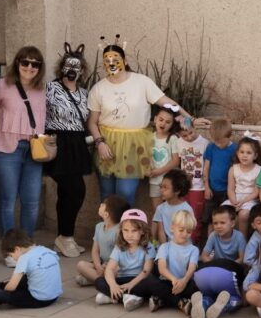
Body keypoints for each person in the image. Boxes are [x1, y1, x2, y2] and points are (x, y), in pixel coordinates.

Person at [88, 41, 208, 206]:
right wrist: (100, 143)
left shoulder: (141, 82)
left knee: (126, 192)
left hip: (133, 144)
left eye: (115, 59)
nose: (111, 64)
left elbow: (168, 103)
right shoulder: (98, 88)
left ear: (125, 60)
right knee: (106, 192)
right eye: (107, 61)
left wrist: (191, 119)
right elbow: (92, 122)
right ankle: (106, 223)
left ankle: (127, 223)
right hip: (107, 144)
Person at [0, 46, 47, 259]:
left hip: (34, 150)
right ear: (17, 63)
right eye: (25, 62)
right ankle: (10, 251)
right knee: (7, 200)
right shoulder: (1, 85)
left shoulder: (42, 89)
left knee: (32, 201)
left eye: (35, 63)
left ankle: (26, 247)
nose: (29, 67)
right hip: (7, 149)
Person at [44, 43, 93, 258]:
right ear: (61, 67)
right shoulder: (50, 89)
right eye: (68, 65)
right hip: (58, 142)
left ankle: (64, 238)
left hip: (77, 144)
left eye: (77, 66)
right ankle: (65, 236)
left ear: (82, 70)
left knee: (66, 192)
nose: (72, 70)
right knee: (75, 190)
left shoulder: (84, 93)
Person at [94, 209, 156, 310]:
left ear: (142, 231)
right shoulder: (119, 247)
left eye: (134, 231)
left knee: (151, 282)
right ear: (121, 230)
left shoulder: (148, 247)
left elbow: (146, 271)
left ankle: (113, 297)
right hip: (122, 279)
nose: (129, 235)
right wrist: (113, 285)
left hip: (138, 280)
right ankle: (128, 297)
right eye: (125, 230)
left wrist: (131, 284)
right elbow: (109, 269)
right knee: (99, 281)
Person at [141, 210, 200, 312]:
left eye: (189, 232)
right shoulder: (164, 247)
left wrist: (184, 281)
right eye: (181, 230)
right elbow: (162, 268)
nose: (185, 234)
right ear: (172, 227)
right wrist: (174, 280)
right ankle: (180, 302)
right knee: (150, 280)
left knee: (197, 284)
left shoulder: (194, 249)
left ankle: (162, 300)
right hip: (167, 282)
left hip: (185, 282)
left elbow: (192, 268)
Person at [75, 195, 130, 287]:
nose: (100, 204)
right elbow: (95, 251)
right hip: (102, 264)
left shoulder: (119, 231)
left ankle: (99, 281)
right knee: (81, 265)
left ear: (106, 214)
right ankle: (102, 280)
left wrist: (109, 267)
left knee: (116, 271)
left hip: (116, 266)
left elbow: (122, 256)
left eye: (103, 205)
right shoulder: (99, 226)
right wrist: (98, 266)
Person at [176, 122, 210, 245]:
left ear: (195, 127)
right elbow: (179, 162)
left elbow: (207, 166)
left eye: (191, 133)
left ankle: (194, 244)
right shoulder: (179, 142)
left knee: (195, 217)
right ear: (178, 134)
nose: (189, 137)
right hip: (184, 187)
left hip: (198, 187)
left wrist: (207, 186)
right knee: (182, 217)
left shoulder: (205, 143)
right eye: (184, 135)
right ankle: (181, 243)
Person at [224, 134, 261, 233]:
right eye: (242, 152)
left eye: (249, 153)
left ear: (255, 155)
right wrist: (234, 202)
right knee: (223, 212)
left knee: (243, 215)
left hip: (250, 199)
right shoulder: (233, 169)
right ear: (237, 153)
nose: (244, 155)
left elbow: (256, 192)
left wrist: (243, 202)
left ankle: (242, 239)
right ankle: (225, 239)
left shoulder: (259, 170)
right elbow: (230, 189)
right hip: (235, 198)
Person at [202, 118, 237, 229]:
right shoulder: (211, 147)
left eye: (221, 141)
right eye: (216, 141)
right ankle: (210, 239)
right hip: (212, 190)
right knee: (209, 218)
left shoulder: (235, 149)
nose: (218, 144)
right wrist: (207, 187)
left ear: (229, 136)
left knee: (225, 218)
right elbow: (206, 168)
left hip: (227, 191)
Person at [148, 105, 182, 211]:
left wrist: (159, 171)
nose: (163, 124)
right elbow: (145, 157)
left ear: (172, 124)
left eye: (168, 122)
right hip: (154, 181)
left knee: (171, 210)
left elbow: (176, 161)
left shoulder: (173, 138)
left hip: (170, 181)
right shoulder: (149, 137)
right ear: (155, 119)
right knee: (157, 210)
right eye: (161, 120)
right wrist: (146, 169)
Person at [152, 169, 193, 245]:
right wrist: (165, 248)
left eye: (165, 187)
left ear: (177, 191)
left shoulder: (186, 209)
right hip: (166, 246)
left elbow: (187, 233)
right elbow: (161, 232)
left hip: (183, 245)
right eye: (161, 187)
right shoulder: (160, 208)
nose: (161, 190)